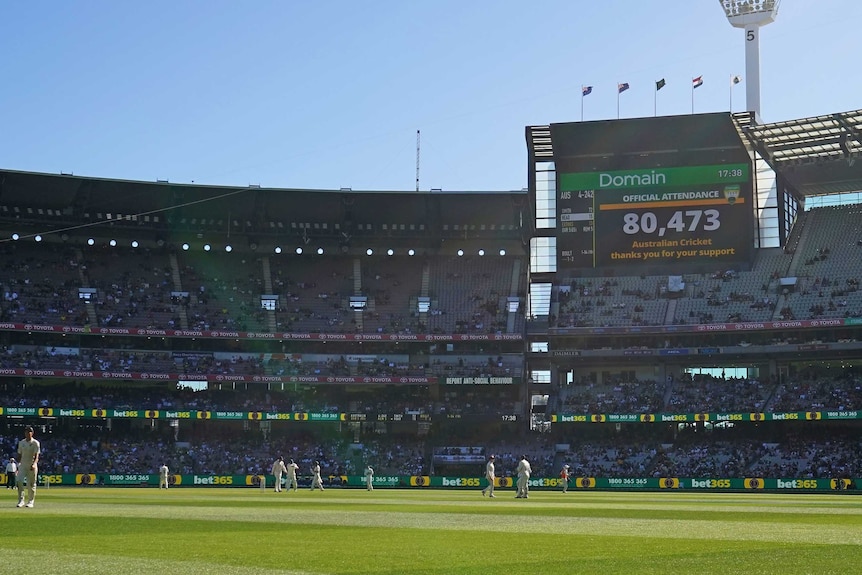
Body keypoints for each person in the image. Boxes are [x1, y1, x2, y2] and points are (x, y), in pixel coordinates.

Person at [16, 426, 40, 508]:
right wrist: (17, 465)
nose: (28, 433)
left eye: (29, 432)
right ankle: (21, 501)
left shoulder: (35, 443)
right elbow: (19, 455)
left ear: (32, 433)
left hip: (31, 465)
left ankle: (30, 501)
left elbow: (37, 456)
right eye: (26, 432)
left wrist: (34, 464)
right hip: (22, 465)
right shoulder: (21, 443)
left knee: (31, 484)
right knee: (19, 481)